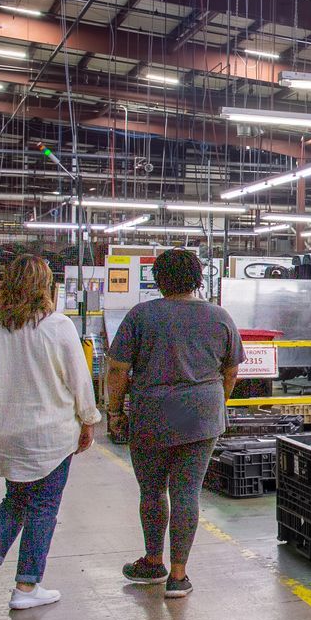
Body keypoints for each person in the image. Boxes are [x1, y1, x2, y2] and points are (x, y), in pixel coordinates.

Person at [0, 255, 102, 611]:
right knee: (43, 507)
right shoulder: (58, 326)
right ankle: (26, 587)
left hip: (6, 433)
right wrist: (88, 419)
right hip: (50, 436)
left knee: (16, 499)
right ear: (47, 287)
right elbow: (79, 381)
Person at [106, 249, 242, 599]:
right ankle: (179, 576)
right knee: (187, 493)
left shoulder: (141, 316)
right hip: (202, 417)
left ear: (159, 280)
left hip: (152, 415)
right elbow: (231, 371)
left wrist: (115, 412)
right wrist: (215, 404)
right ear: (198, 279)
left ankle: (153, 561)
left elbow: (118, 369)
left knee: (152, 491)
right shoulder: (219, 317)